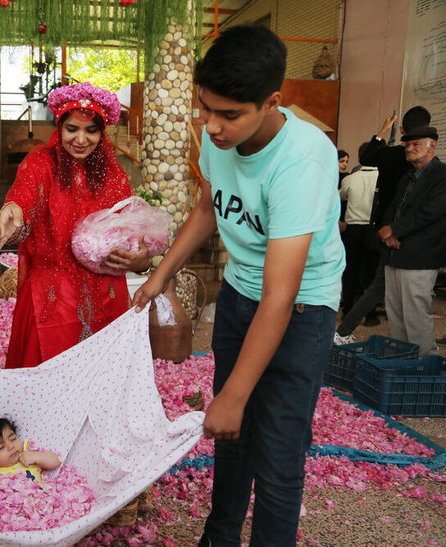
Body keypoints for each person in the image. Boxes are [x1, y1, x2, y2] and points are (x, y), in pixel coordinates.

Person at [133, 25, 343, 546]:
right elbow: (209, 207)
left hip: (299, 313)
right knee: (231, 441)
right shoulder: (216, 136)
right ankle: (219, 536)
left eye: (230, 115)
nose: (214, 127)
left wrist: (235, 394)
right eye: (206, 110)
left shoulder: (302, 161)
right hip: (239, 297)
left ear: (272, 102)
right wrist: (160, 275)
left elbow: (282, 293)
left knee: (275, 451)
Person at [0, 82, 151, 368]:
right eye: (72, 129)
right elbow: (26, 196)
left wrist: (141, 261)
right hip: (52, 296)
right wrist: (13, 209)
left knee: (100, 384)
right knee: (47, 386)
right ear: (59, 127)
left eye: (91, 130)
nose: (81, 139)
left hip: (106, 297)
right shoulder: (41, 164)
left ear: (102, 133)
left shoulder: (114, 176)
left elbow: (133, 239)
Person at [334, 106, 431, 344]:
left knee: (379, 283)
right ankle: (411, 346)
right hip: (405, 233)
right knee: (402, 291)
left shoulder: (390, 155)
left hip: (382, 228)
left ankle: (346, 329)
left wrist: (382, 131)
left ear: (402, 129)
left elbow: (366, 156)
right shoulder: (428, 166)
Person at [378, 126, 445, 357]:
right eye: (407, 144)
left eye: (416, 144)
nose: (409, 148)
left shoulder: (442, 175)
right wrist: (387, 231)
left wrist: (394, 230)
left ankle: (425, 369)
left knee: (416, 318)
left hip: (420, 257)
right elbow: (393, 208)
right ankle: (403, 364)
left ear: (432, 146)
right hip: (394, 253)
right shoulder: (407, 176)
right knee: (395, 315)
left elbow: (430, 212)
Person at [0, 404, 60, 482]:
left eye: (12, 439)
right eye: (0, 447)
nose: (11, 446)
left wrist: (36, 457)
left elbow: (56, 461)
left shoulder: (27, 456)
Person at [338, 143, 380, 321]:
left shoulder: (351, 178)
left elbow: (341, 197)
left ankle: (348, 309)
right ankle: (371, 314)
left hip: (353, 228)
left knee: (350, 270)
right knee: (371, 273)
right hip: (373, 228)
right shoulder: (382, 177)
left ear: (360, 158)